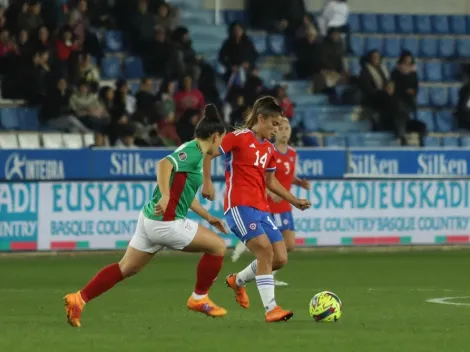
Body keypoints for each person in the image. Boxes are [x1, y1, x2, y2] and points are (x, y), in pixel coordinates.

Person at [64, 105, 229, 328]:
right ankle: (199, 298)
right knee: (218, 247)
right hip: (166, 223)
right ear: (215, 136)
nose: (222, 147)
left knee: (126, 268)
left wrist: (208, 217)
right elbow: (163, 165)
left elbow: (185, 195)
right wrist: (164, 195)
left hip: (150, 220)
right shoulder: (192, 152)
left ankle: (79, 299)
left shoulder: (194, 153)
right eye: (222, 140)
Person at [201, 96, 311, 322]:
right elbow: (208, 151)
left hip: (262, 209)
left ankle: (238, 280)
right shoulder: (238, 138)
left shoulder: (268, 149)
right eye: (274, 124)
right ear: (260, 118)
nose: (277, 129)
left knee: (280, 258)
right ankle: (271, 309)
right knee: (264, 251)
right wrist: (207, 182)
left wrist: (293, 200)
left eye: (279, 125)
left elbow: (271, 181)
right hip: (239, 207)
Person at [231, 118, 310, 286]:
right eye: (281, 128)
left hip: (285, 203)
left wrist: (298, 182)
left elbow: (284, 175)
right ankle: (264, 273)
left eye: (288, 127)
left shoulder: (292, 153)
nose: (285, 131)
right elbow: (264, 178)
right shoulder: (268, 149)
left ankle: (262, 271)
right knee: (274, 246)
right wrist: (269, 192)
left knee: (287, 246)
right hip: (268, 203)